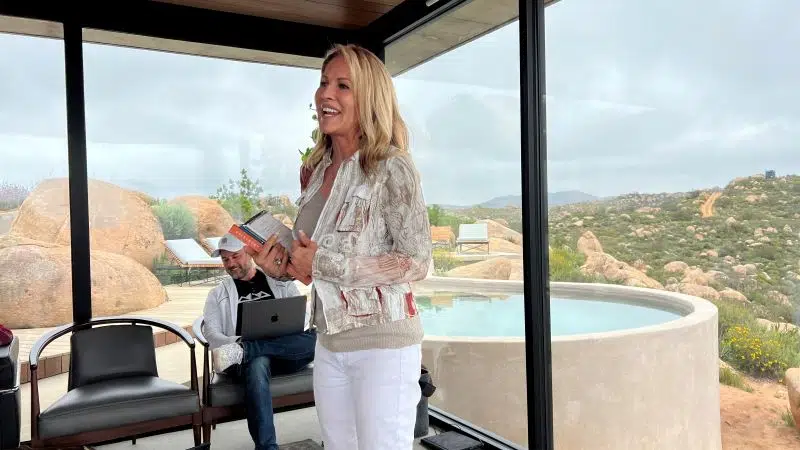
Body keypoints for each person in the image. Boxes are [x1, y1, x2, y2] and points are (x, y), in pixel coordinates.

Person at [249, 43, 432, 450]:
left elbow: (416, 261)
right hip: (329, 343)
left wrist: (326, 262)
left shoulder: (392, 166)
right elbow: (311, 268)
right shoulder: (315, 172)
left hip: (384, 344)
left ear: (369, 98)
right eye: (324, 83)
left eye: (343, 86)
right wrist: (281, 265)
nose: (325, 95)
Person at [203, 233, 316, 450]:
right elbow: (211, 334)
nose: (231, 264)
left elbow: (301, 319)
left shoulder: (279, 282)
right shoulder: (217, 294)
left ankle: (248, 350)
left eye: (235, 256)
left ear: (249, 253)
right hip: (247, 362)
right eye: (225, 260)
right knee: (258, 362)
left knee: (317, 338)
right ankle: (267, 448)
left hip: (284, 354)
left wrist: (251, 346)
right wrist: (237, 341)